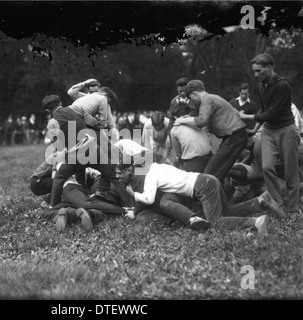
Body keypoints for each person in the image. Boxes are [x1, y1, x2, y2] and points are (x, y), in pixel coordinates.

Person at [124, 161, 281, 234]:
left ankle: (255, 222)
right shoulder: (159, 166)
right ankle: (260, 201)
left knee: (216, 222)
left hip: (203, 186)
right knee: (227, 212)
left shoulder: (150, 175)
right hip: (208, 178)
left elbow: (149, 199)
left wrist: (133, 193)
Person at [239, 53, 300, 217]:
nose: (256, 75)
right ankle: (277, 203)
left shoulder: (283, 85)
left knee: (290, 171)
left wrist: (247, 117)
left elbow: (272, 113)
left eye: (259, 71)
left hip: (286, 129)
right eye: (254, 71)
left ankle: (292, 208)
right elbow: (263, 110)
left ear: (270, 67)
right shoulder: (260, 86)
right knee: (266, 167)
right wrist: (254, 129)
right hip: (268, 130)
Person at [42, 95, 124, 208]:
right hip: (93, 147)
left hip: (76, 154)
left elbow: (59, 147)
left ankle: (54, 207)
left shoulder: (52, 123)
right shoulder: (76, 109)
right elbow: (93, 123)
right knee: (113, 176)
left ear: (47, 110)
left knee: (59, 177)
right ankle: (128, 205)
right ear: (60, 103)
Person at [174, 79, 248, 182]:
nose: (193, 101)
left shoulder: (207, 100)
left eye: (191, 98)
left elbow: (201, 121)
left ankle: (239, 175)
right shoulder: (214, 97)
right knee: (219, 170)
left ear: (194, 93)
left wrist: (182, 120)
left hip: (234, 137)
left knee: (210, 172)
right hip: (234, 137)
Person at [170, 102, 213, 173]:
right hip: (210, 157)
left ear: (175, 117)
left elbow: (178, 153)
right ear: (189, 113)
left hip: (193, 162)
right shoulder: (198, 122)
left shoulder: (174, 130)